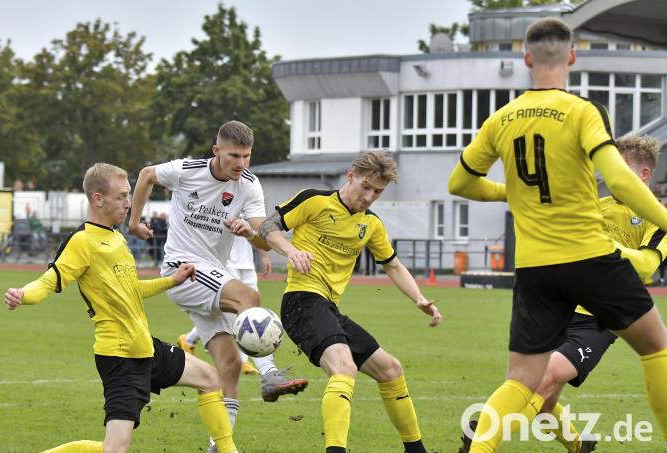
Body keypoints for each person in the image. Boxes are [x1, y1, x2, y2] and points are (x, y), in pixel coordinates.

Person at [448, 18, 667, 452]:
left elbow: (460, 184)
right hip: (588, 257)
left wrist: (511, 192)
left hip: (534, 269)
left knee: (521, 379)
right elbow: (620, 181)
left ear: (526, 59)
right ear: (571, 56)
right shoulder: (583, 111)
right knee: (656, 347)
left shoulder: (500, 119)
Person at [3, 163, 238, 453]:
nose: (129, 203)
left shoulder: (117, 238)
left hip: (145, 348)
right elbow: (48, 282)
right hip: (120, 358)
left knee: (211, 379)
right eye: (121, 196)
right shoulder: (82, 241)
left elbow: (131, 289)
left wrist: (171, 280)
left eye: (128, 195)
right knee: (114, 449)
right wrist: (22, 295)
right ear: (98, 199)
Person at [458, 134, 666, 453]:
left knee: (543, 379)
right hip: (558, 306)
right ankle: (579, 446)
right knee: (544, 398)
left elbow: (646, 266)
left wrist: (604, 248)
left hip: (599, 318)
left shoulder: (658, 219)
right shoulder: (595, 207)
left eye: (619, 168)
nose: (611, 176)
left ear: (644, 173)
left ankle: (485, 437)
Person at [128, 121, 308, 452]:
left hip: (211, 275)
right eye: (234, 156)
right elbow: (146, 175)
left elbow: (263, 234)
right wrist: (134, 221)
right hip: (183, 268)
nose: (241, 163)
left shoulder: (249, 185)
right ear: (217, 151)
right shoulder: (188, 170)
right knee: (247, 296)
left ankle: (219, 445)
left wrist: (253, 235)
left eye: (247, 156)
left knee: (230, 364)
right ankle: (269, 374)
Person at [259, 151, 443, 453]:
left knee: (391, 370)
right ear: (351, 176)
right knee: (345, 368)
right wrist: (291, 251)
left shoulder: (371, 224)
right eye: (366, 187)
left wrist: (419, 299)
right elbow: (268, 227)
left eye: (378, 192)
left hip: (328, 308)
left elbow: (393, 265)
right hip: (301, 302)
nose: (369, 197)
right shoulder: (314, 200)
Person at [179, 234, 273, 377]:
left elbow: (255, 231)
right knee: (234, 315)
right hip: (227, 262)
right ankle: (243, 360)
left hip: (247, 263)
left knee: (251, 311)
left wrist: (264, 255)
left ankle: (188, 339)